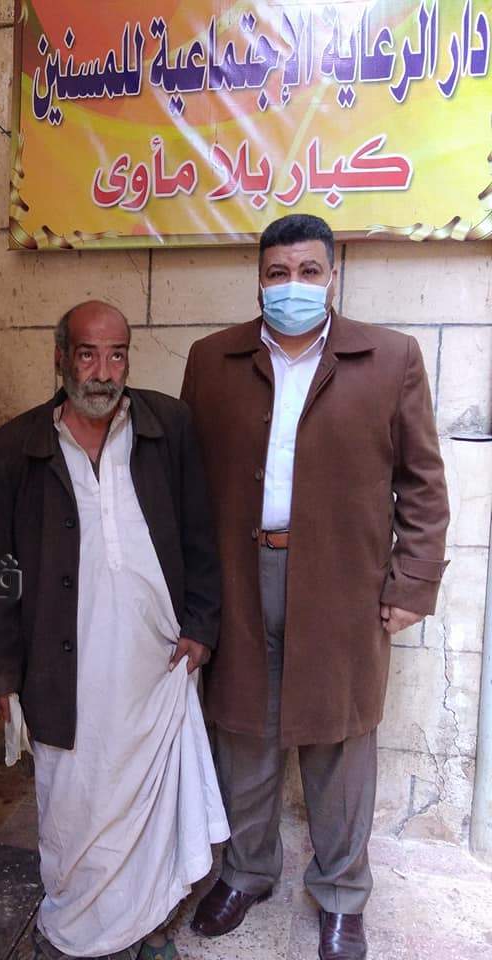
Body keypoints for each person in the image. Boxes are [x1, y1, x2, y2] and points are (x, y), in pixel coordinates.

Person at [183, 214, 449, 960]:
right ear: (258, 280)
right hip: (239, 578)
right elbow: (187, 484)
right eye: (277, 273)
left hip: (341, 583)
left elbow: (423, 485)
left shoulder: (389, 358)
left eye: (307, 271)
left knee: (339, 741)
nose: (291, 286)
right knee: (243, 733)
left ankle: (340, 893)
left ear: (332, 276)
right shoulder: (212, 360)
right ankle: (246, 870)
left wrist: (413, 581)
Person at [0, 300, 229, 960]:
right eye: (88, 354)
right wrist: (1, 672)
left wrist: (201, 625)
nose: (103, 371)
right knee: (75, 804)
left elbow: (200, 532)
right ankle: (71, 932)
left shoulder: (167, 426)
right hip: (62, 668)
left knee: (152, 807)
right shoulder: (14, 448)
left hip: (155, 662)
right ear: (60, 358)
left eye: (117, 354)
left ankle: (146, 923)